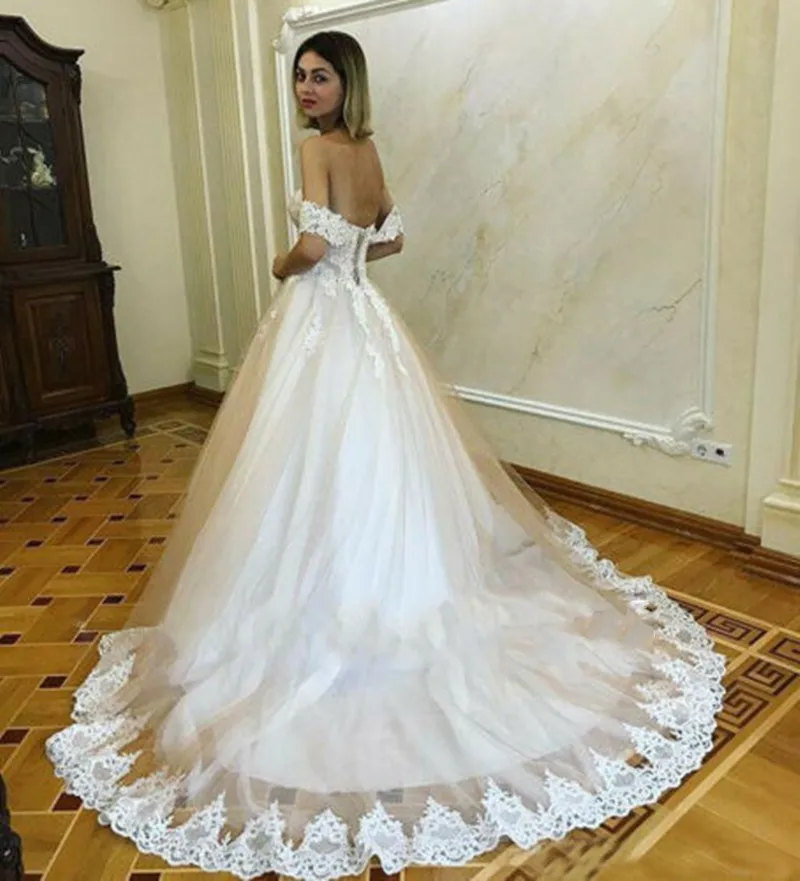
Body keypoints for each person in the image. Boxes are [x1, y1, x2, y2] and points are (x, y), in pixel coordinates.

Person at [46, 30, 724, 881]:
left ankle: (326, 597)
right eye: (300, 76)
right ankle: (397, 584)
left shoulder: (316, 151)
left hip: (323, 317)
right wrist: (351, 249)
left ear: (346, 84)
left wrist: (284, 261)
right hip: (367, 318)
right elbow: (392, 234)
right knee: (376, 458)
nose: (306, 89)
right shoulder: (366, 150)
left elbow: (313, 248)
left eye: (321, 77)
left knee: (308, 459)